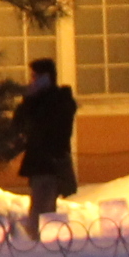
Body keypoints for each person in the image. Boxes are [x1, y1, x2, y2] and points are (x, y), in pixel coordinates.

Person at [16, 57, 79, 236]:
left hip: (51, 161)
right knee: (39, 204)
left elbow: (50, 126)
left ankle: (45, 241)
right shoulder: (35, 100)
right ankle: (41, 239)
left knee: (44, 208)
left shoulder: (60, 101)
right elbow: (19, 124)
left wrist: (34, 101)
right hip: (38, 161)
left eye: (37, 76)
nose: (33, 80)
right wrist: (28, 100)